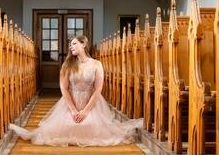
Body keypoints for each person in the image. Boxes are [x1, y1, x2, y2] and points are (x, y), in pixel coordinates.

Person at [9, 35, 143, 147]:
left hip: (90, 104)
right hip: (71, 103)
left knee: (93, 129)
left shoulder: (97, 64)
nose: (70, 47)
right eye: (70, 45)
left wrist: (85, 111)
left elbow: (98, 89)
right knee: (62, 130)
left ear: (83, 44)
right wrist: (73, 110)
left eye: (74, 43)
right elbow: (64, 88)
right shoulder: (67, 65)